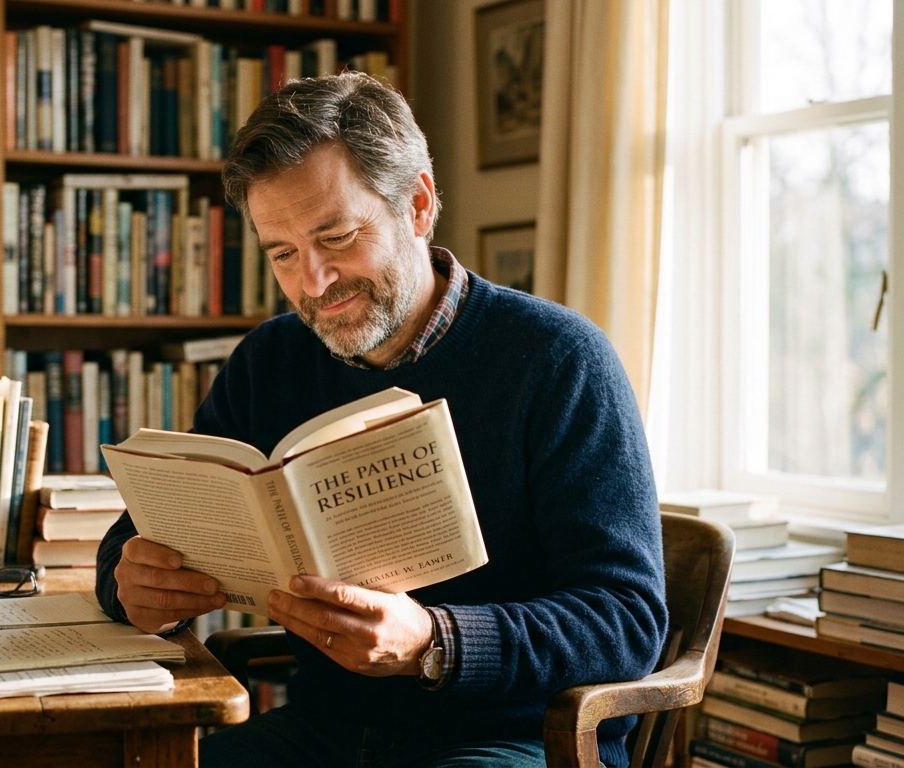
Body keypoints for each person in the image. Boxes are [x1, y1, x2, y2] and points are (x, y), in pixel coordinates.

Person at [95, 71, 667, 768]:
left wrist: (434, 641)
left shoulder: (559, 359)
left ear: (418, 205)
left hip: (509, 740)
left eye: (336, 237)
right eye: (282, 252)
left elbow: (626, 621)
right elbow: (140, 535)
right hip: (322, 732)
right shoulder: (271, 359)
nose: (313, 282)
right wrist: (130, 583)